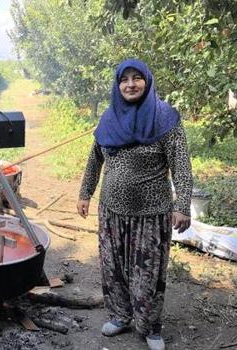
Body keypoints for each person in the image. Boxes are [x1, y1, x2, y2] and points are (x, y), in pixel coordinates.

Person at [77, 59, 192, 350]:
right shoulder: (109, 117)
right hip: (111, 210)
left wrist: (183, 204)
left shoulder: (165, 118)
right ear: (118, 85)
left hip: (151, 214)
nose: (130, 84)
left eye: (136, 77)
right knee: (113, 268)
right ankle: (119, 316)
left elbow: (181, 166)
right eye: (124, 79)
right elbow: (95, 160)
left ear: (147, 80)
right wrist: (85, 193)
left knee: (148, 272)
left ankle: (150, 326)